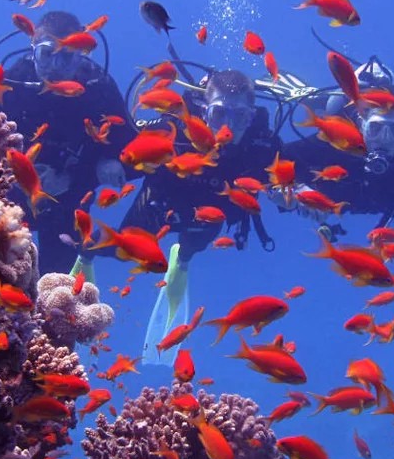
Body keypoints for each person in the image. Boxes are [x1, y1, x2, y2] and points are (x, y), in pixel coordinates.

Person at [86, 68, 281, 363]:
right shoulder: (173, 129)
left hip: (208, 218)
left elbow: (294, 171)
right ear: (203, 109)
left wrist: (289, 193)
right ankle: (85, 251)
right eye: (218, 114)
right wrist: (107, 161)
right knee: (122, 250)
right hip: (160, 203)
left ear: (251, 117)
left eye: (239, 117)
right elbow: (130, 147)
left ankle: (183, 260)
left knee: (192, 246)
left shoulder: (263, 145)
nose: (227, 126)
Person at [0, 10, 133, 276]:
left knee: (54, 286)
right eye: (46, 53)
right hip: (14, 196)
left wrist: (82, 175)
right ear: (32, 49)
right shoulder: (11, 84)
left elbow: (132, 152)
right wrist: (18, 177)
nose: (55, 66)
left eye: (67, 56)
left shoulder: (98, 89)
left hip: (70, 200)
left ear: (82, 54)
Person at [274, 56, 394, 234]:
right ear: (361, 124)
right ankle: (318, 99)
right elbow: (272, 162)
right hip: (345, 131)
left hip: (372, 195)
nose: (385, 138)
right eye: (375, 128)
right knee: (328, 112)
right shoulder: (339, 140)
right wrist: (297, 189)